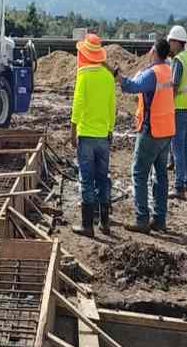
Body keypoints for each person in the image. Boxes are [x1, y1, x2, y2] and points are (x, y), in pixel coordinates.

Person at [118, 38, 176, 234]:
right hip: (167, 130)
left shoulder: (153, 74)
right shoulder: (167, 71)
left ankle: (142, 219)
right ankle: (159, 219)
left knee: (139, 173)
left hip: (152, 131)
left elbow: (132, 87)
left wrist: (118, 77)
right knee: (160, 176)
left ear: (154, 51)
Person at [70, 34, 116, 238]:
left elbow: (78, 104)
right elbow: (112, 107)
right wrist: (110, 130)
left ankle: (87, 225)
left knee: (87, 180)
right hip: (103, 137)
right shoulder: (108, 77)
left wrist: (73, 130)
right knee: (102, 179)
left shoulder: (84, 76)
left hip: (86, 136)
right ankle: (105, 223)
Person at [166, 25, 187, 200]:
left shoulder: (178, 60)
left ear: (177, 42)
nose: (169, 45)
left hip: (178, 108)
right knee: (185, 148)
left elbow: (174, 86)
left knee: (177, 148)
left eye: (171, 42)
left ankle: (179, 187)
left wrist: (166, 105)